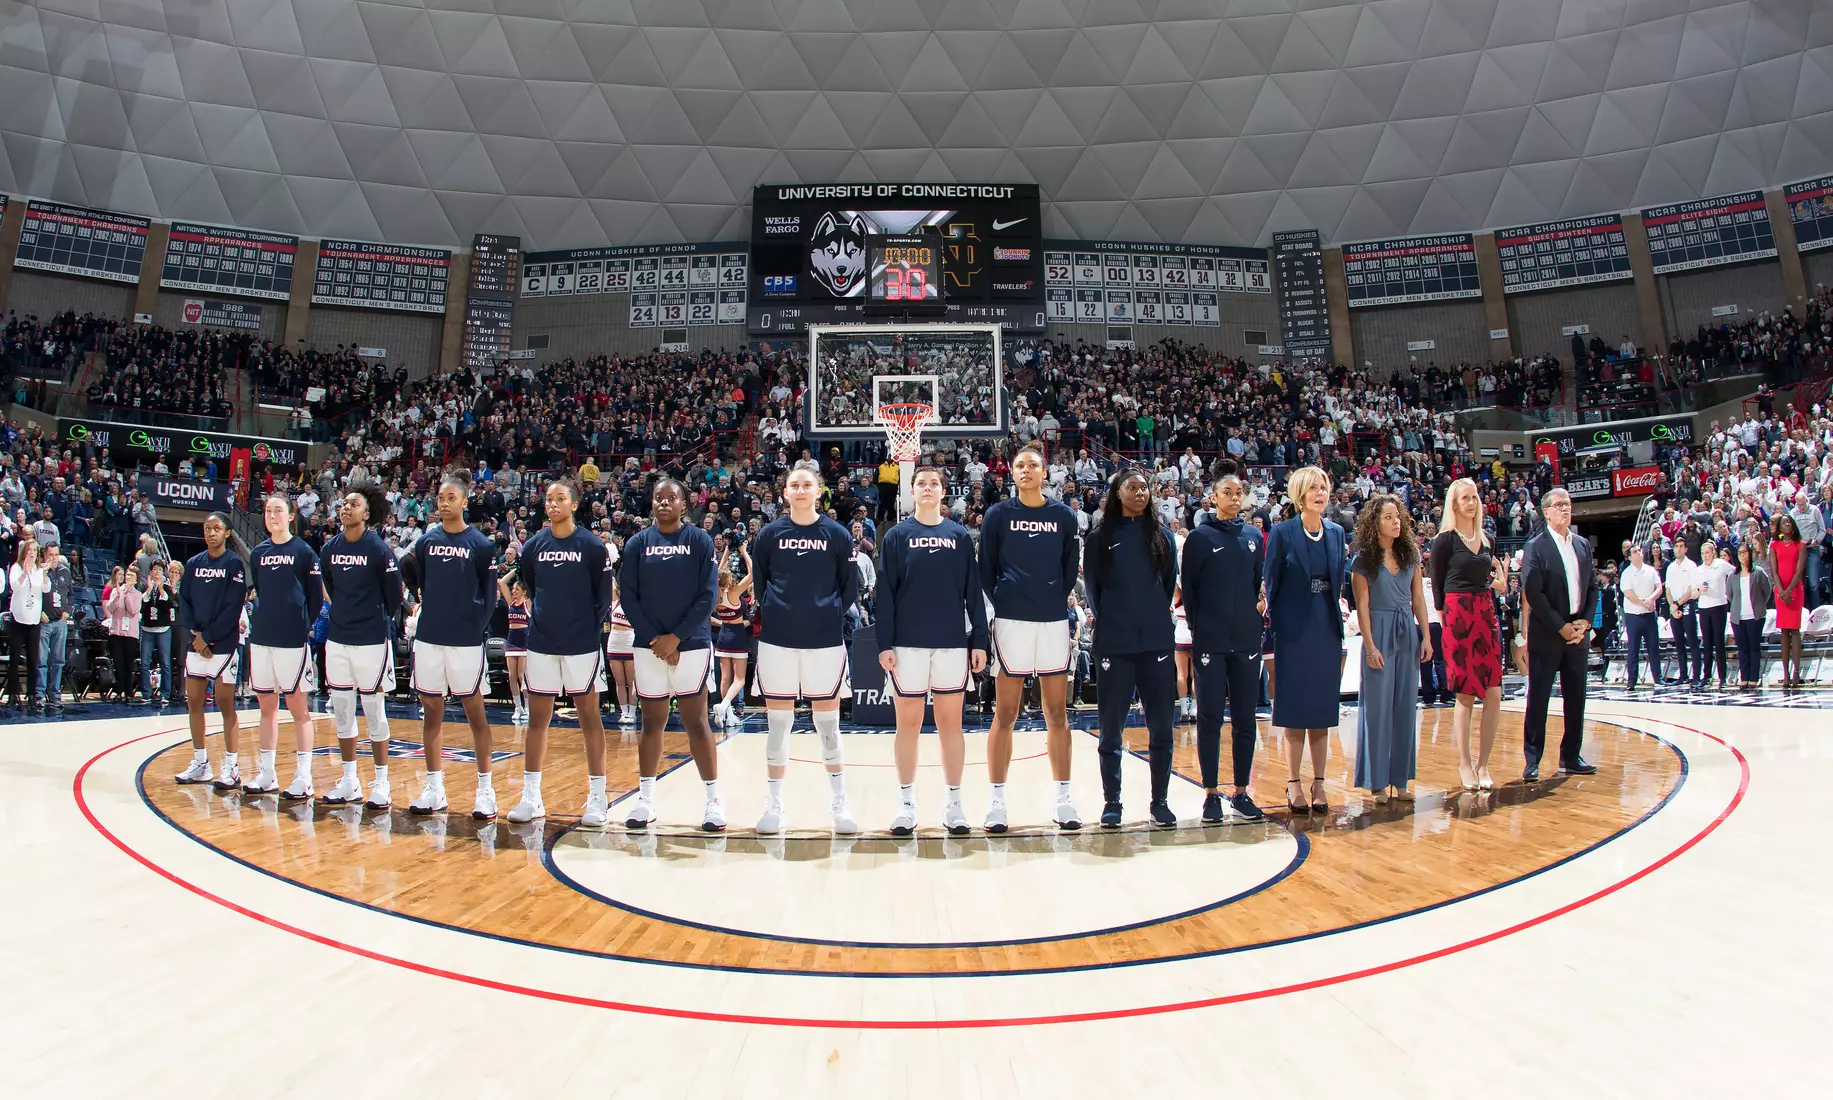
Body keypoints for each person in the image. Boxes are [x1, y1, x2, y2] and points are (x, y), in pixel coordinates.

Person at [876, 466, 988, 836]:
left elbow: (973, 593)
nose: (927, 488)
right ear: (912, 491)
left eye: (934, 483)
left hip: (951, 644)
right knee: (906, 725)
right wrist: (884, 643)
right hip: (906, 645)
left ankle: (954, 805)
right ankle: (906, 804)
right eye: (921, 483)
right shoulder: (896, 536)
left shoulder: (958, 535)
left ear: (943, 491)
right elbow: (885, 595)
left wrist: (980, 641)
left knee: (950, 726)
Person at [750, 461, 860, 834]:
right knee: (778, 727)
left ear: (818, 492)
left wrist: (825, 613)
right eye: (793, 485)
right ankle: (774, 806)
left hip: (824, 641)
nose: (799, 490)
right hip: (778, 640)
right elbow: (761, 585)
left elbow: (849, 588)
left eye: (806, 485)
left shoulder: (837, 534)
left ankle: (840, 804)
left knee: (827, 726)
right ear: (785, 493)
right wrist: (779, 612)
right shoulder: (768, 534)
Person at [979, 441, 1082, 831]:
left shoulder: (1063, 516)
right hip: (1011, 622)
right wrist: (1006, 600)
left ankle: (1063, 800)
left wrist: (1052, 599)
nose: (1026, 470)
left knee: (1057, 712)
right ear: (1012, 470)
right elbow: (986, 569)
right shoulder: (997, 515)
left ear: (1045, 471)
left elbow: (1070, 568)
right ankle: (997, 803)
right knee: (1005, 713)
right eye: (1020, 465)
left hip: (1053, 622)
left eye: (1033, 465)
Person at [507, 479, 615, 826]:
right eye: (549, 499)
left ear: (574, 504)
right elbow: (534, 589)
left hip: (581, 645)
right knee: (537, 720)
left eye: (561, 498)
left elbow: (603, 599)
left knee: (589, 720)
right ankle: (531, 797)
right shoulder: (533, 546)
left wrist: (585, 627)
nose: (553, 504)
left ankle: (598, 797)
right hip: (541, 644)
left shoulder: (592, 547)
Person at [619, 479, 724, 832]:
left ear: (684, 504)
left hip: (690, 644)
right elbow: (629, 597)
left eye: (672, 498)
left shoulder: (699, 541)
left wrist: (676, 638)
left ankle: (713, 802)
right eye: (658, 498)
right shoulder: (637, 544)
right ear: (651, 504)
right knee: (651, 724)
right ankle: (646, 799)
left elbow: (707, 595)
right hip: (649, 646)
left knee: (697, 723)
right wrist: (655, 639)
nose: (664, 503)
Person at [1084, 468, 1180, 828]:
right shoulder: (1099, 538)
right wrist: (1115, 621)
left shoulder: (1163, 536)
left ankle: (1160, 802)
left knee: (1161, 729)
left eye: (1144, 488)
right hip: (1115, 644)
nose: (1140, 493)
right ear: (1116, 492)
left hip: (1155, 642)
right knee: (1111, 730)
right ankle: (1113, 802)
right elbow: (1093, 591)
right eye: (1132, 487)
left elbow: (1168, 585)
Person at [405, 468, 500, 819]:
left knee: (475, 712)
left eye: (451, 498)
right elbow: (424, 585)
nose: (444, 504)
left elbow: (489, 599)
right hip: (429, 638)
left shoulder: (481, 544)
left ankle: (485, 791)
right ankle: (434, 788)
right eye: (440, 498)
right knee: (431, 712)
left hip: (465, 641)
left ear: (464, 500)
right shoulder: (426, 542)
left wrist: (472, 626)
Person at [1180, 466, 1267, 822]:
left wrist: (1255, 617)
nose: (1234, 497)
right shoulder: (1200, 538)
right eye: (1227, 492)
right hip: (1210, 641)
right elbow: (1191, 590)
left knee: (1246, 718)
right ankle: (1211, 793)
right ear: (1213, 498)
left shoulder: (1252, 537)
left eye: (1238, 492)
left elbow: (1256, 585)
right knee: (1210, 718)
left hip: (1246, 638)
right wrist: (1202, 633)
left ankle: (1242, 792)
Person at [1264, 466, 1347, 814]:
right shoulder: (1283, 532)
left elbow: (1338, 578)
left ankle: (1320, 783)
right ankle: (1294, 782)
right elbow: (1272, 581)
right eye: (1312, 487)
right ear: (1300, 494)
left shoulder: (1337, 532)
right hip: (1294, 630)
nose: (1320, 493)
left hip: (1325, 627)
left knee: (1322, 711)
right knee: (1295, 710)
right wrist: (1279, 623)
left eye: (1323, 487)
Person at [318, 483, 404, 808]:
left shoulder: (379, 550)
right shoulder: (328, 549)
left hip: (370, 639)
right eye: (344, 503)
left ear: (366, 514)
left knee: (374, 712)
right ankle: (350, 780)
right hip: (338, 639)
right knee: (342, 711)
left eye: (353, 504)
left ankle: (381, 783)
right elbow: (326, 584)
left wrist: (371, 616)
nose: (345, 507)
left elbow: (393, 595)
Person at [1350, 494, 1432, 803]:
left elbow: (1419, 600)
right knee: (1378, 709)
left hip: (1406, 633)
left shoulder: (1411, 556)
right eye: (1388, 517)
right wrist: (1370, 646)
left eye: (1397, 516)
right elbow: (1362, 606)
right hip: (1378, 633)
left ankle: (1401, 780)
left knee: (1404, 708)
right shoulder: (1363, 560)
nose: (1396, 521)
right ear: (1375, 522)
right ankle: (1377, 781)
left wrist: (1425, 636)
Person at [1429, 477, 1508, 791]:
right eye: (1465, 498)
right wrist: (1444, 624)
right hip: (1457, 615)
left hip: (1486, 611)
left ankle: (1483, 763)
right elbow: (1437, 589)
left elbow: (1489, 579)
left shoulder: (1488, 539)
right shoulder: (1444, 540)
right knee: (1464, 693)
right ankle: (1464, 762)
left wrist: (1497, 586)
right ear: (1454, 503)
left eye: (1474, 497)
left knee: (1494, 692)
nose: (1471, 502)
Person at [245, 492, 324, 799]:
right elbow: (262, 591)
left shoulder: (304, 552)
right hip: (263, 640)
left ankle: (304, 777)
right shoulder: (258, 553)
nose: (272, 515)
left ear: (291, 515)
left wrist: (301, 625)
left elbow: (315, 599)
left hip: (292, 642)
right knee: (266, 707)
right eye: (267, 511)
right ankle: (267, 774)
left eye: (278, 510)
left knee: (298, 709)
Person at [1519, 488, 1597, 781]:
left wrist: (1585, 623)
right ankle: (1533, 759)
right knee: (1539, 699)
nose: (1566, 509)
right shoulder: (1536, 547)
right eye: (1559, 505)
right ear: (1546, 511)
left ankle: (1571, 755)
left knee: (1576, 698)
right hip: (1549, 634)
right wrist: (1560, 626)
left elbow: (1592, 588)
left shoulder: (1582, 545)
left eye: (1568, 504)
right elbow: (1534, 593)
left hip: (1578, 635)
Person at [175, 513, 249, 788]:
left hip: (224, 645)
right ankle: (200, 763)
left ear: (227, 532)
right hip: (197, 644)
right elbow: (185, 601)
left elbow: (233, 606)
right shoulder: (194, 564)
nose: (211, 533)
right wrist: (197, 635)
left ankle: (231, 766)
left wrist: (208, 637)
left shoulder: (234, 564)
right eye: (207, 529)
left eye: (216, 528)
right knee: (193, 701)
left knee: (224, 703)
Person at [709, 544, 754, 728]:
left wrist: (727, 549)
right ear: (729, 581)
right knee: (739, 679)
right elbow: (752, 573)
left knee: (725, 678)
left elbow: (720, 569)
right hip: (736, 636)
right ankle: (725, 705)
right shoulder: (734, 593)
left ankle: (727, 716)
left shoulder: (715, 594)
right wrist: (743, 550)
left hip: (722, 635)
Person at [7, 535, 46, 712]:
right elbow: (14, 587)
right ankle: (13, 694)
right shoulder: (16, 568)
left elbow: (46, 589)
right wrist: (25, 572)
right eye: (29, 550)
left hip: (33, 620)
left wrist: (44, 574)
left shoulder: (39, 570)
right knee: (14, 659)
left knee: (33, 660)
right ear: (24, 552)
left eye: (34, 551)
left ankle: (31, 694)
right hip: (17, 619)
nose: (31, 553)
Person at [1769, 514, 1808, 687]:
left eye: (1790, 522)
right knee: (1784, 631)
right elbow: (1774, 571)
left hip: (1795, 591)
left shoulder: (1801, 545)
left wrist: (1789, 590)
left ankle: (1796, 673)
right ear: (1779, 527)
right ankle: (1785, 674)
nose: (1787, 525)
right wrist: (1781, 591)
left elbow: (1799, 570)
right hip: (1781, 592)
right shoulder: (1774, 545)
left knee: (1795, 631)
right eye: (1784, 523)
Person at [1619, 543, 1664, 690]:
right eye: (1635, 552)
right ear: (1630, 556)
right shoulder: (1626, 573)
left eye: (1639, 550)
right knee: (1633, 648)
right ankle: (1632, 680)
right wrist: (1643, 602)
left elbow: (1659, 588)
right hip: (1633, 615)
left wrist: (1650, 599)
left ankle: (1658, 678)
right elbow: (1628, 593)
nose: (1639, 553)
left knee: (1653, 647)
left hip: (1650, 614)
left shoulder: (1651, 570)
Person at [1729, 540, 1773, 688]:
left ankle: (1754, 678)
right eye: (1739, 553)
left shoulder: (1758, 572)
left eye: (1745, 552)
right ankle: (1744, 678)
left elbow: (1767, 591)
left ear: (1749, 554)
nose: (1742, 555)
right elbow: (1729, 595)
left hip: (1755, 616)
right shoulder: (1733, 575)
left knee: (1754, 647)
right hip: (1738, 618)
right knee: (1742, 649)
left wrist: (1759, 604)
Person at [36, 542, 72, 710]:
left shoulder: (65, 572)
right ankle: (39, 694)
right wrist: (38, 611)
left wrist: (67, 611)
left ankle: (55, 694)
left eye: (56, 555)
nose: (53, 558)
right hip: (44, 622)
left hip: (60, 622)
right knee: (41, 661)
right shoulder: (40, 572)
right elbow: (34, 594)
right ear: (45, 555)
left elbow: (70, 595)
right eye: (50, 555)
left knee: (58, 660)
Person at [496, 543, 529, 723]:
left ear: (524, 591)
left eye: (517, 589)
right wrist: (515, 571)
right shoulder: (511, 603)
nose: (514, 591)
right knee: (511, 676)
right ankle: (518, 707)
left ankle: (528, 707)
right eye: (513, 589)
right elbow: (501, 583)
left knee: (521, 676)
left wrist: (523, 575)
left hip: (524, 640)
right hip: (511, 640)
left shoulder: (527, 603)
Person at [1695, 540, 1734, 689]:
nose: (1705, 556)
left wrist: (1729, 592)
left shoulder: (1721, 564)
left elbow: (1734, 572)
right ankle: (1706, 676)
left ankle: (1722, 677)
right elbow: (1694, 589)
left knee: (1719, 641)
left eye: (1707, 553)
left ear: (1713, 553)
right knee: (1707, 643)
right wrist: (1699, 589)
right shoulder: (1698, 569)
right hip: (1704, 607)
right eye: (1702, 553)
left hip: (1719, 605)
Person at [1664, 540, 1702, 687]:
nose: (1678, 549)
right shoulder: (1671, 567)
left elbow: (1691, 589)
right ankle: (1683, 675)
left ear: (1685, 549)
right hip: (1674, 607)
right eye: (1676, 547)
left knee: (1692, 642)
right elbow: (1668, 590)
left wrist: (1678, 604)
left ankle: (1697, 676)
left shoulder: (1691, 565)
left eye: (1681, 547)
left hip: (1687, 605)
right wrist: (1672, 606)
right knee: (1679, 644)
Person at [139, 561, 176, 707]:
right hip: (147, 629)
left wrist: (161, 591)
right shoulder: (145, 587)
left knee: (165, 663)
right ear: (151, 572)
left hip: (163, 629)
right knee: (144, 663)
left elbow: (170, 605)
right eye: (154, 569)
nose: (157, 572)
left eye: (160, 570)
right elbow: (142, 606)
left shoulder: (166, 588)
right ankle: (146, 693)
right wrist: (149, 591)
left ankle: (165, 694)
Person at [103, 566, 143, 703]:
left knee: (128, 664)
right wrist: (119, 595)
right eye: (127, 575)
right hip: (116, 633)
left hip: (130, 635)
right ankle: (119, 691)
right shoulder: (116, 590)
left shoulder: (137, 595)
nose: (128, 578)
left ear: (136, 579)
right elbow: (110, 608)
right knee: (118, 664)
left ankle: (129, 692)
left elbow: (132, 611)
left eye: (131, 576)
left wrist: (126, 595)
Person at [605, 588, 638, 727]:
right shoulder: (615, 602)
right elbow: (610, 581)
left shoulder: (636, 603)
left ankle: (632, 713)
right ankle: (624, 712)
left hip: (629, 641)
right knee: (619, 681)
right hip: (614, 642)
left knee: (631, 682)